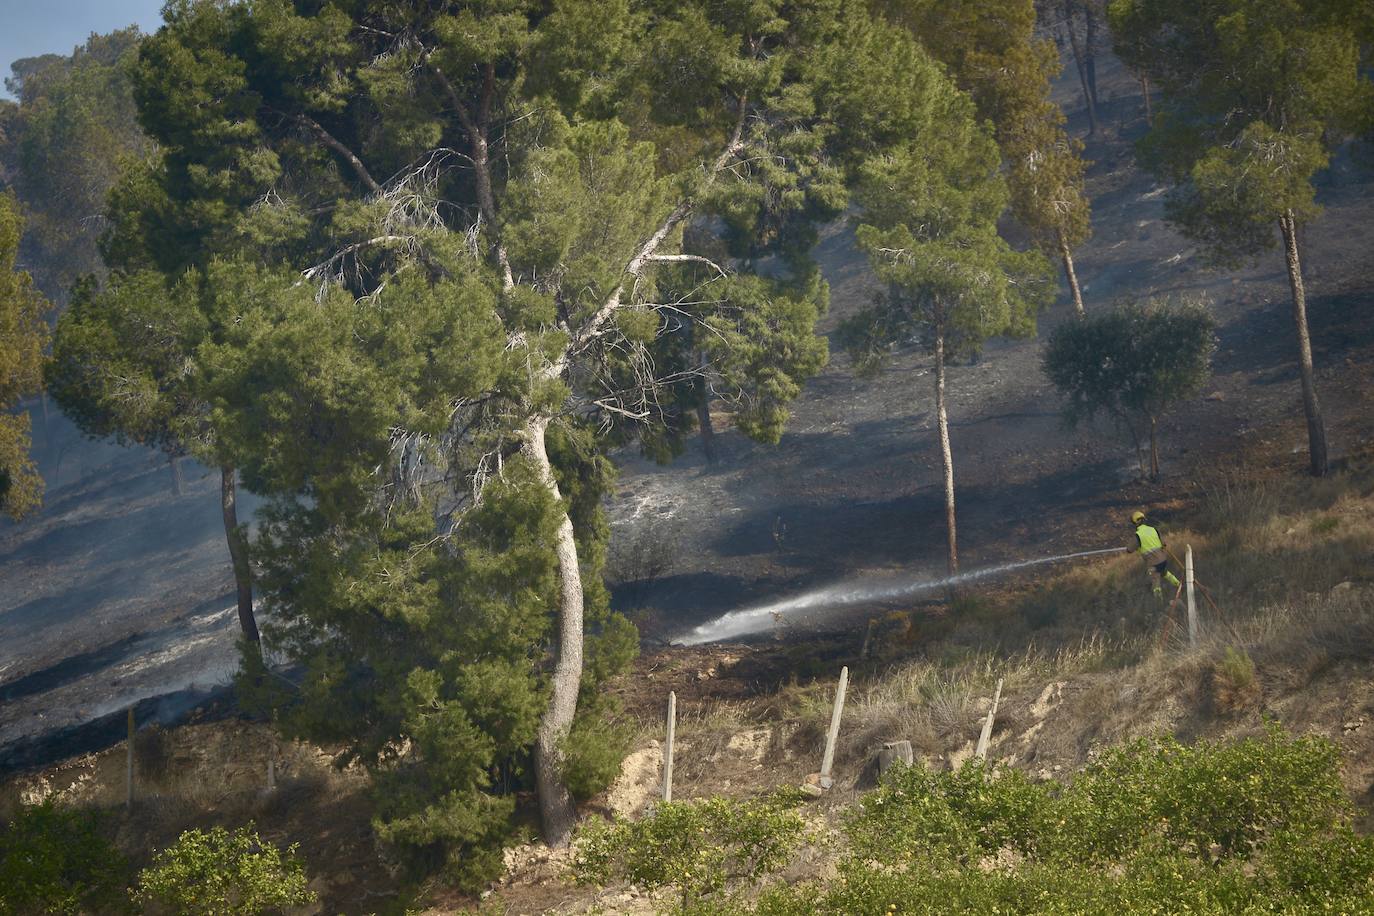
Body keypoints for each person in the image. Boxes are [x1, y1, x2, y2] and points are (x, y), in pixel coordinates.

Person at [1129, 510, 1181, 598]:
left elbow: (1129, 550)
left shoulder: (1137, 535)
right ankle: (1179, 585)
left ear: (1135, 523)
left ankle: (1158, 601)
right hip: (1163, 560)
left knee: (1155, 581)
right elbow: (1163, 543)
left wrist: (1136, 547)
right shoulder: (1153, 530)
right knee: (1164, 573)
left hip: (1153, 564)